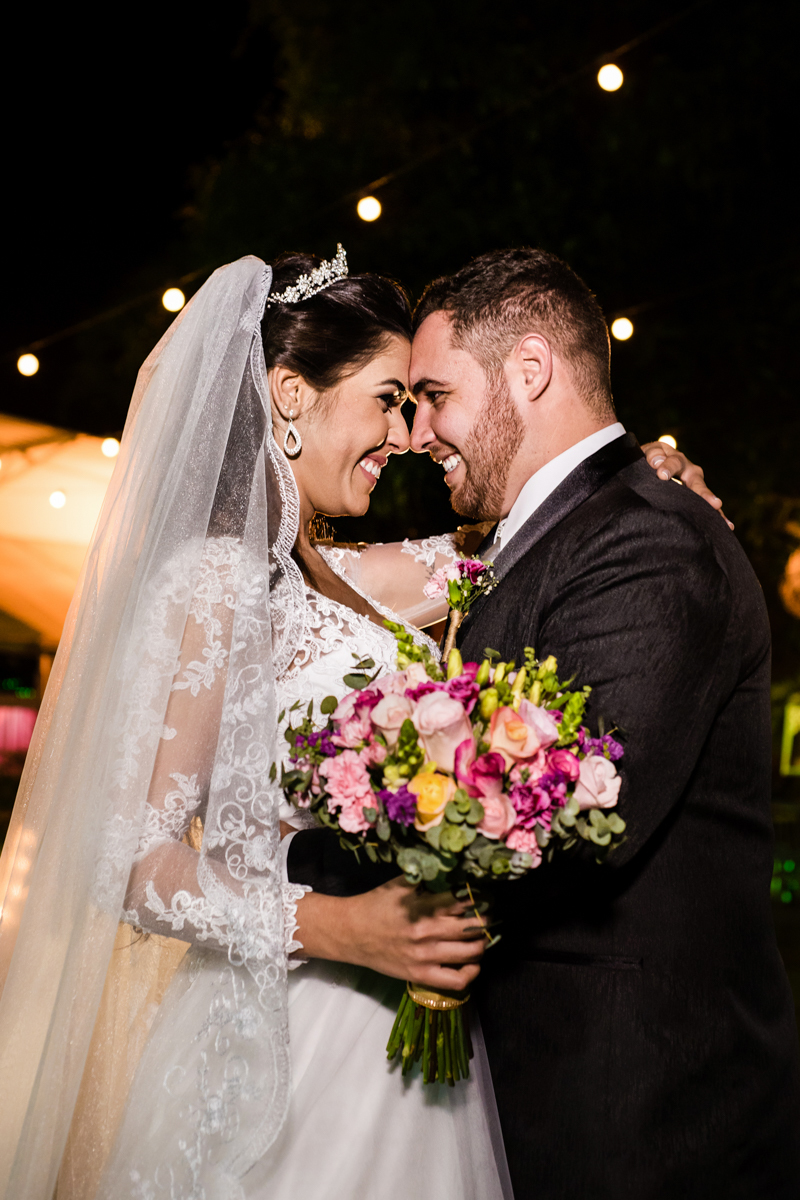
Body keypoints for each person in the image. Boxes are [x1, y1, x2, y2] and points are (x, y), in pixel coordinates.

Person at [0, 245, 717, 1200]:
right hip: (291, 1035)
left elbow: (529, 531)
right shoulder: (214, 585)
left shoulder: (346, 574)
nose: (408, 436)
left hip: (410, 1038)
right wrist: (345, 928)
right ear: (291, 396)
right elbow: (130, 859)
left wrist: (638, 473)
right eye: (387, 398)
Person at [400, 247, 800, 1198]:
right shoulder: (545, 534)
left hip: (639, 1104)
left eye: (434, 395)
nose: (417, 433)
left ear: (528, 370)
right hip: (552, 1091)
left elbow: (566, 830)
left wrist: (311, 898)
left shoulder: (649, 541)